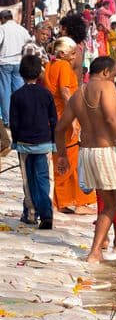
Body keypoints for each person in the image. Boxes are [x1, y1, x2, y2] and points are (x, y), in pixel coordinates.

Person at [55, 56, 116, 264]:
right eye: (114, 74)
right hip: (107, 152)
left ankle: (95, 252)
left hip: (87, 153)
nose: (114, 80)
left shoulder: (78, 93)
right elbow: (111, 119)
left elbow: (60, 128)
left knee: (110, 204)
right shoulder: (106, 86)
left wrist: (62, 155)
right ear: (106, 72)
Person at [44, 36, 97, 215]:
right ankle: (78, 201)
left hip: (54, 119)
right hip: (65, 119)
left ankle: (61, 200)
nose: (75, 57)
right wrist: (74, 119)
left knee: (60, 158)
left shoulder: (49, 66)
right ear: (62, 54)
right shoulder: (64, 66)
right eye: (72, 53)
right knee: (71, 160)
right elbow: (65, 92)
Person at [10, 54, 57, 229]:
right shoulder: (46, 94)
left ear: (21, 73)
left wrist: (15, 142)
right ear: (39, 73)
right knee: (43, 178)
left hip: (24, 144)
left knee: (28, 180)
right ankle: (47, 213)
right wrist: (53, 142)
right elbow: (53, 120)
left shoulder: (16, 96)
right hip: (44, 143)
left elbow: (14, 122)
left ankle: (31, 213)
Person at [0, 8, 30, 127]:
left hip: (4, 63)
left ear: (2, 19)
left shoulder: (2, 29)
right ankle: (22, 118)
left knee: (5, 92)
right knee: (19, 91)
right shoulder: (21, 29)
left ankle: (8, 121)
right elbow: (29, 42)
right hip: (18, 63)